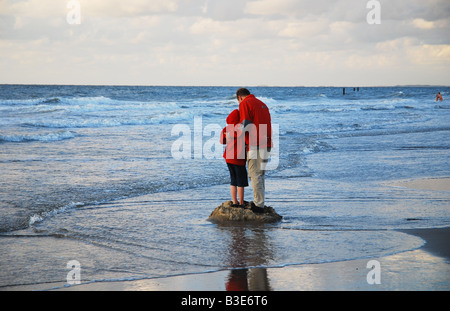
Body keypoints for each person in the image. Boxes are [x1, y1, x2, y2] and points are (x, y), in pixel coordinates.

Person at [236, 88, 272, 214]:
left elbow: (246, 123)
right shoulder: (262, 104)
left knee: (254, 174)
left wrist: (237, 133)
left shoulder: (245, 103)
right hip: (266, 142)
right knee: (261, 174)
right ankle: (260, 202)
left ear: (240, 97)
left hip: (255, 143)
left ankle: (258, 205)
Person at [220, 109, 248, 208]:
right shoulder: (240, 128)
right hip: (238, 158)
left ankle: (235, 202)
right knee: (241, 181)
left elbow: (222, 141)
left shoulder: (226, 128)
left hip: (228, 157)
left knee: (233, 180)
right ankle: (241, 202)